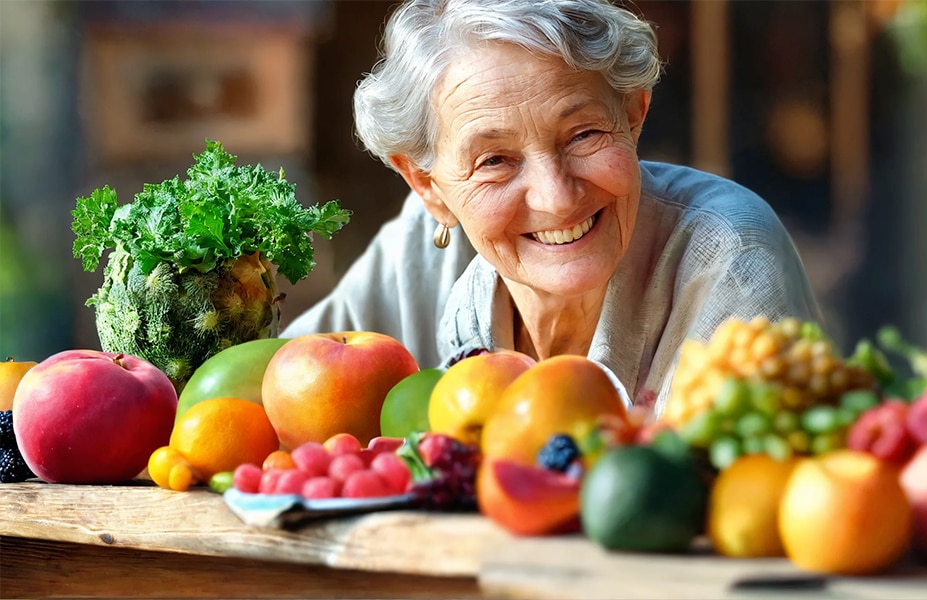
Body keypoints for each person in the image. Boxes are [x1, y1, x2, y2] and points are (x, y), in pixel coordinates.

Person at [282, 0, 824, 418]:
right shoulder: (416, 252)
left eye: (584, 134)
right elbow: (271, 403)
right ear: (427, 185)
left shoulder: (727, 255)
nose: (556, 197)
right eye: (494, 160)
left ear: (633, 115)